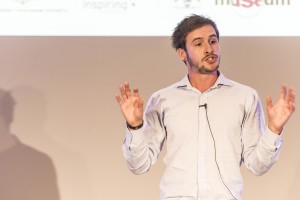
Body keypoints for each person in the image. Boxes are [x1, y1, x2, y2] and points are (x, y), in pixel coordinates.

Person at [115, 14, 295, 200]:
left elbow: (257, 166)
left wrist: (274, 130)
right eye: (199, 44)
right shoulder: (163, 99)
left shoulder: (245, 96)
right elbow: (139, 165)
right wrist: (135, 127)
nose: (209, 49)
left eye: (213, 41)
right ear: (182, 53)